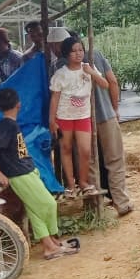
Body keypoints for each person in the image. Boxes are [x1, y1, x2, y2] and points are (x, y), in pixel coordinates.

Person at [0, 88, 80, 260]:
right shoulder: (7, 125)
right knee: (49, 204)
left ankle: (51, 244)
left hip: (25, 170)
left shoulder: (9, 124)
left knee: (35, 210)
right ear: (19, 104)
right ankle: (50, 245)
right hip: (20, 174)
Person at [49, 36, 109, 197]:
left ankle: (83, 182)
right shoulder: (61, 74)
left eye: (80, 50)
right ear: (66, 54)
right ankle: (70, 185)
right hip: (64, 117)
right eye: (74, 51)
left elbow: (105, 85)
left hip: (83, 116)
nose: (78, 54)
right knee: (66, 149)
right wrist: (52, 120)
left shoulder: (89, 68)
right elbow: (55, 98)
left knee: (85, 150)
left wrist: (92, 73)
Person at [87, 46, 133, 216]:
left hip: (82, 123)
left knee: (91, 163)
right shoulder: (95, 55)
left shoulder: (60, 64)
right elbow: (112, 81)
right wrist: (114, 108)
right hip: (106, 115)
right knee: (114, 160)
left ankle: (94, 206)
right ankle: (121, 202)